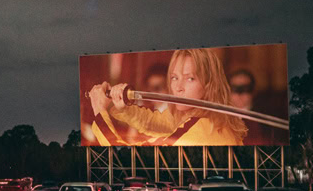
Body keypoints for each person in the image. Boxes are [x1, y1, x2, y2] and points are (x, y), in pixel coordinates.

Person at [89, 48, 247, 146]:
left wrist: (99, 112)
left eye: (190, 78)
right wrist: (120, 107)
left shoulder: (202, 128)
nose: (178, 87)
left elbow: (126, 158)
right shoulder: (194, 116)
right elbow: (155, 123)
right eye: (174, 78)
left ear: (209, 84)